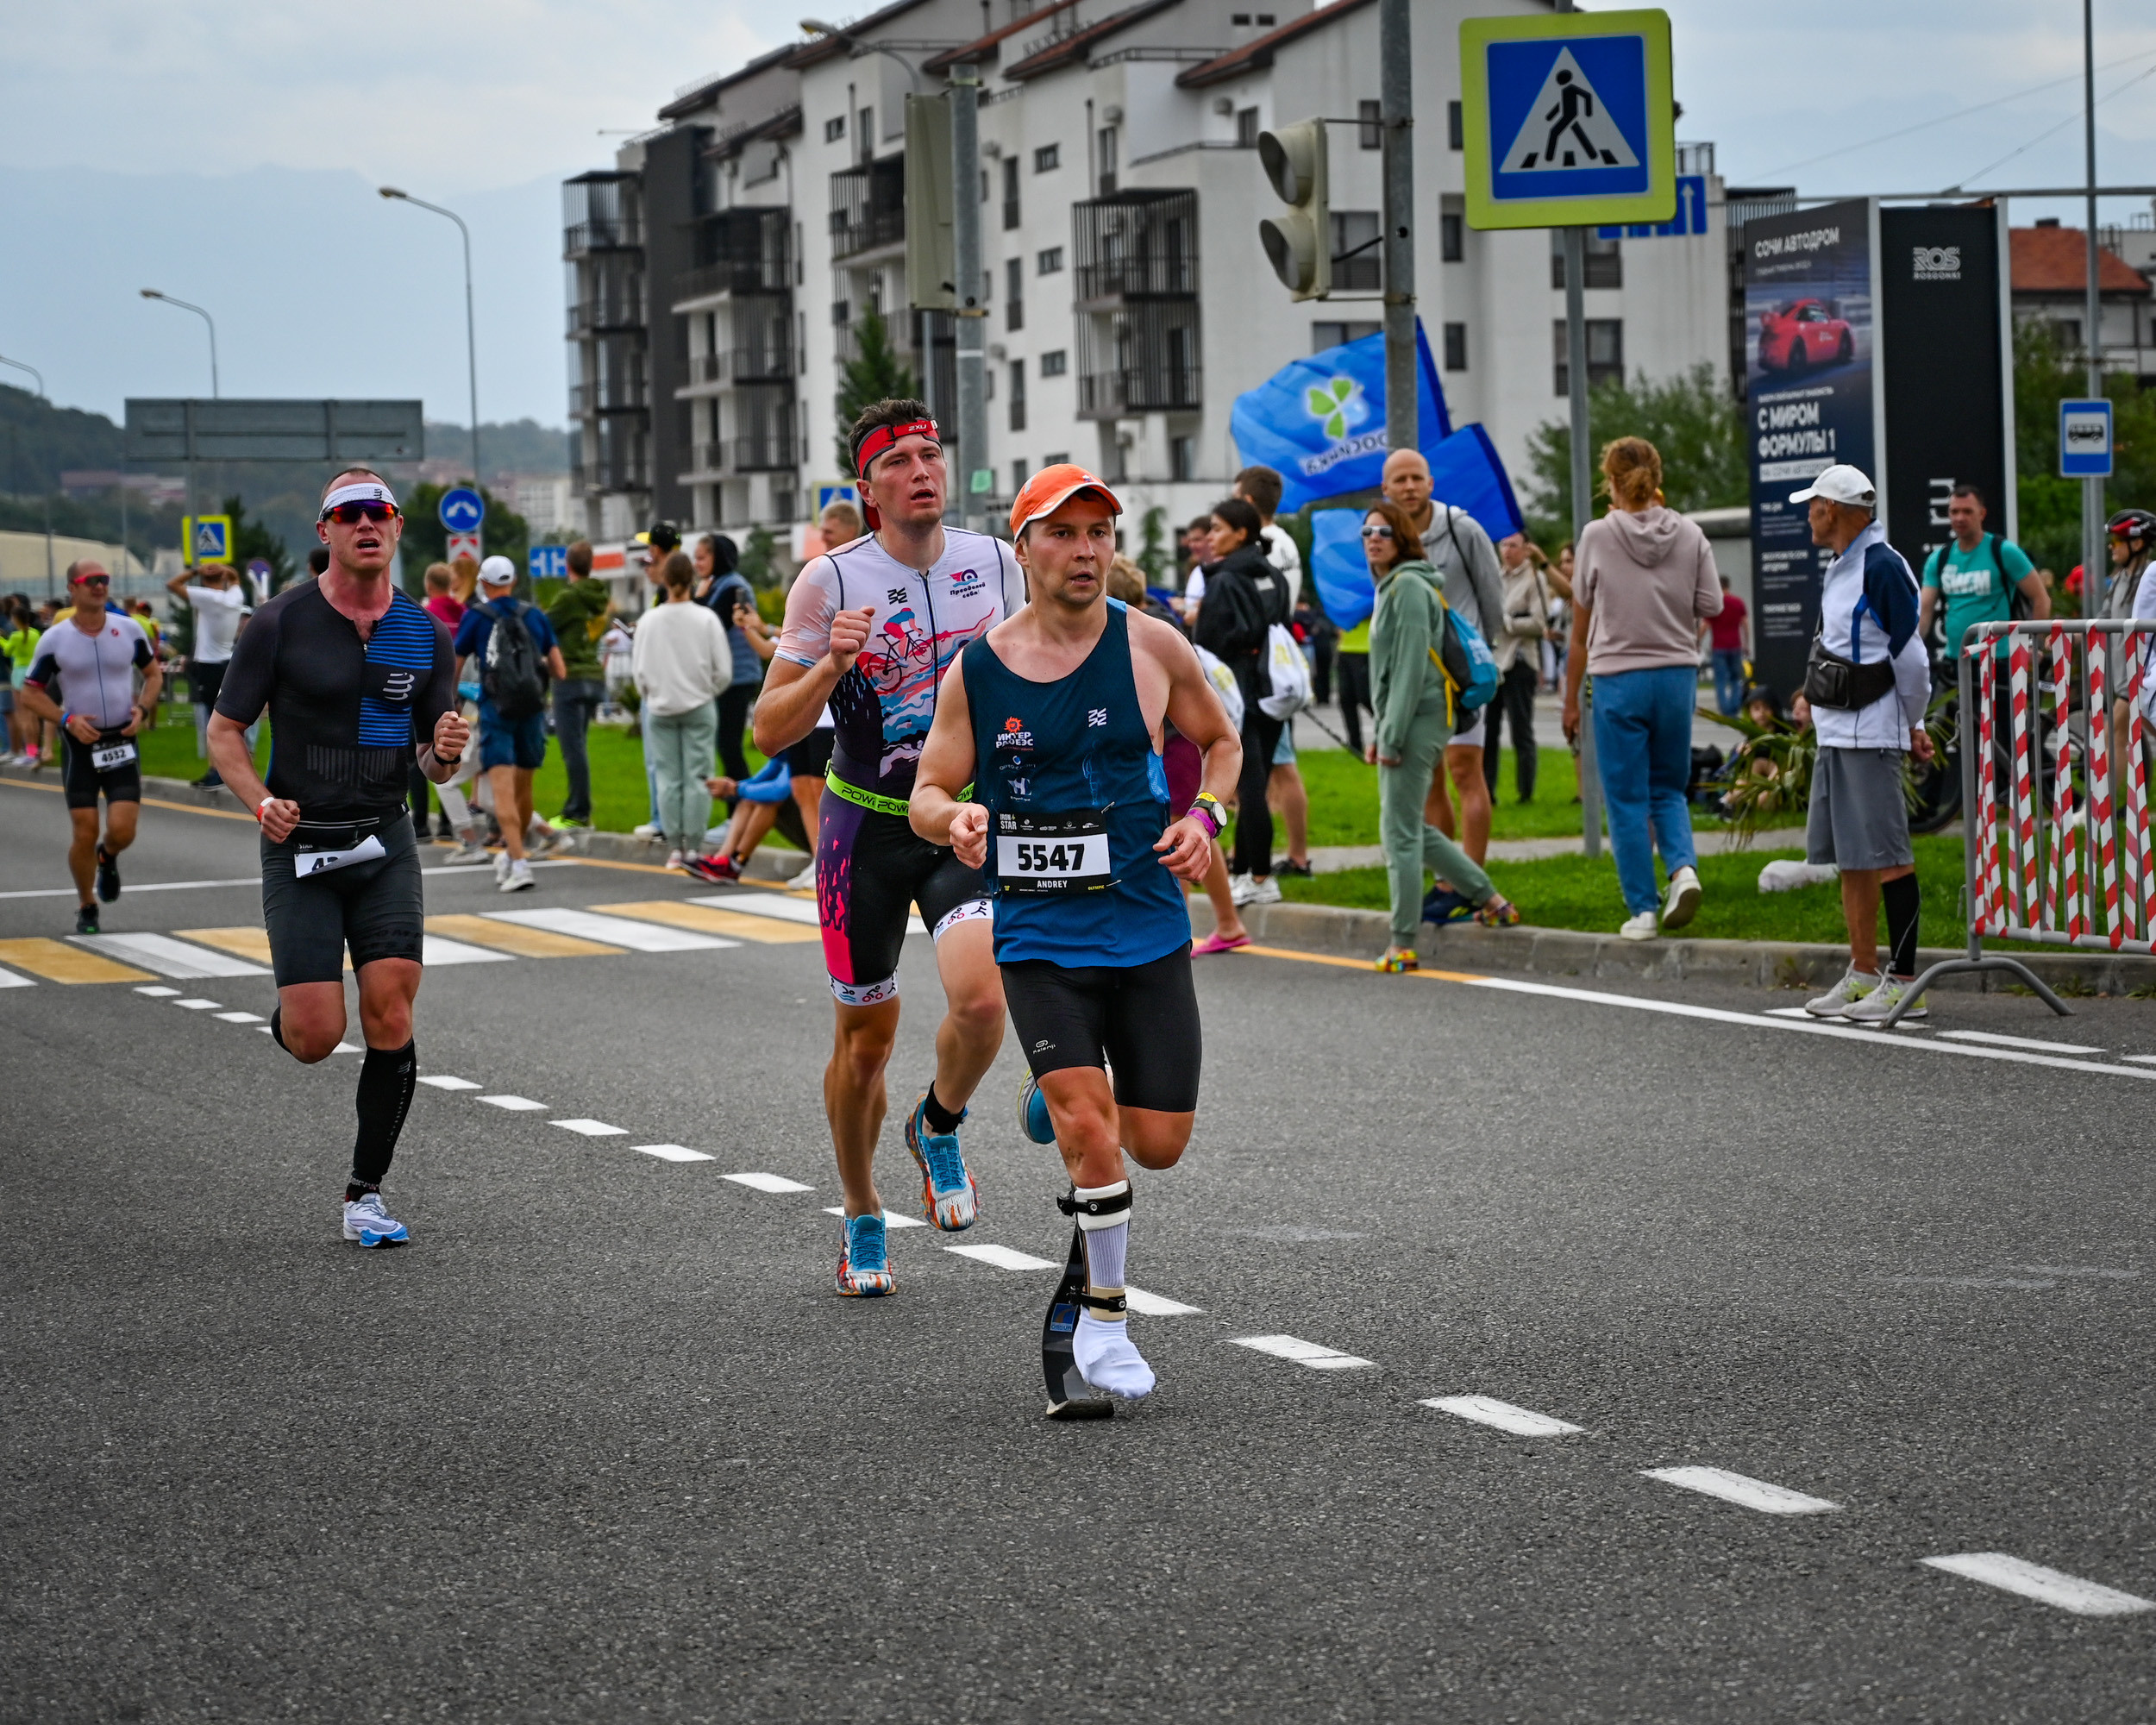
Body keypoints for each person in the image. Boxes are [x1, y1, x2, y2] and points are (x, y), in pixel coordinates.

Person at [909, 464, 1238, 1410]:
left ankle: (1065, 1106)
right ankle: (1104, 1316)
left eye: (1099, 532)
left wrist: (1205, 816)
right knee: (1094, 1135)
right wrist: (953, 823)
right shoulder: (978, 666)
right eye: (1063, 532)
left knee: (1157, 1143)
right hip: (1040, 934)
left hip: (1142, 925)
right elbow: (932, 788)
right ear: (1024, 550)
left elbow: (1221, 742)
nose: (1086, 549)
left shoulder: (1153, 646)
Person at [753, 398, 1026, 1297]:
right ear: (868, 486)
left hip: (958, 818)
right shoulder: (829, 579)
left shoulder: (993, 561)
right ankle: (863, 1211)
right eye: (900, 460)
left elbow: (1038, 667)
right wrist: (829, 668)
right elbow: (766, 729)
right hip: (864, 824)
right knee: (865, 1043)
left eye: (930, 455)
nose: (921, 471)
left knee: (982, 1002)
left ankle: (938, 1123)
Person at [206, 469, 467, 1249]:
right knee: (318, 1035)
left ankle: (365, 1193)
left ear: (394, 529)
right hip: (301, 844)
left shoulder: (424, 633)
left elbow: (432, 759)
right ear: (325, 532)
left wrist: (446, 754)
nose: (366, 524)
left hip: (384, 839)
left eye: (379, 513)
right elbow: (225, 733)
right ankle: (292, 1013)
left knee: (391, 1008)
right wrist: (260, 800)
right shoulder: (278, 624)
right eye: (348, 514)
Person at [1786, 465, 1934, 1023]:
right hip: (1837, 731)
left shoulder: (1882, 566)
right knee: (1853, 860)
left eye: (1815, 505)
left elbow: (1911, 658)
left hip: (1871, 733)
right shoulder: (1843, 564)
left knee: (1890, 856)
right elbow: (1839, 642)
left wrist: (1911, 722)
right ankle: (1864, 970)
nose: (1808, 515)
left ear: (1840, 510)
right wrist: (1811, 697)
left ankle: (1904, 982)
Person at [1560, 438, 1720, 941]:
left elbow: (1580, 623)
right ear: (1657, 478)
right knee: (1668, 788)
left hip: (1617, 678)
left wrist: (1569, 698)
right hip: (1676, 675)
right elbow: (1711, 604)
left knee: (1626, 798)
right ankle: (1683, 870)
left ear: (1611, 481)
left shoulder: (1596, 536)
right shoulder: (1691, 533)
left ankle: (1642, 909)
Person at [1361, 502, 1520, 971]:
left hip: (1417, 720)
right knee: (1413, 827)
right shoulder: (1395, 585)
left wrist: (1389, 736)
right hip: (1411, 719)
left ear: (1404, 537)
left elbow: (1409, 669)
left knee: (1399, 834)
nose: (1373, 538)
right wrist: (1381, 730)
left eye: (1384, 531)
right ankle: (1491, 902)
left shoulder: (1408, 587)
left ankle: (1402, 943)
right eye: (1367, 531)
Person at [16, 561, 163, 934]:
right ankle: (86, 904)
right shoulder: (55, 638)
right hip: (81, 744)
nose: (100, 586)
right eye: (91, 581)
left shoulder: (128, 629)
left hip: (122, 740)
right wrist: (66, 720)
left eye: (105, 580)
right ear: (73, 588)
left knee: (122, 829)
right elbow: (30, 693)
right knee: (84, 830)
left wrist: (143, 709)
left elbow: (153, 674)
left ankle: (108, 855)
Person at [1381, 448, 1504, 869]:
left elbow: (1493, 602)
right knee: (1429, 781)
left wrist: (1479, 662)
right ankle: (1448, 880)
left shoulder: (1462, 528)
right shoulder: (1383, 536)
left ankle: (1475, 879)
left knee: (1466, 771)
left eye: (1417, 478)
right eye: (1400, 480)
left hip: (1461, 676)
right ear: (1386, 489)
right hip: (1417, 677)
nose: (1410, 486)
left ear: (1431, 483)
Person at [1191, 497, 1290, 905]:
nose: (1211, 538)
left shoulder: (1225, 580)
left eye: (1216, 528)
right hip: (1273, 688)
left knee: (1248, 787)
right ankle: (1249, 873)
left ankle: (1261, 876)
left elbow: (1207, 643)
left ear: (1241, 533)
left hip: (1238, 692)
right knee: (1258, 782)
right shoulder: (1273, 575)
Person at [452, 555, 567, 894]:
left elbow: (455, 667)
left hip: (495, 712)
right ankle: (514, 853)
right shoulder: (534, 615)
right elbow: (559, 670)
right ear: (513, 581)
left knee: (501, 791)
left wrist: (453, 702)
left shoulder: (477, 617)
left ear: (484, 584)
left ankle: (518, 863)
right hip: (531, 712)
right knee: (523, 791)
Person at [634, 549, 734, 875]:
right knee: (698, 778)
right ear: (693, 580)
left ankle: (674, 847)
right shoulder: (706, 619)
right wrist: (706, 691)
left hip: (660, 707)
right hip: (699, 705)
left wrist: (652, 693)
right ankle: (693, 847)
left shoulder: (649, 621)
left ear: (664, 580)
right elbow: (723, 671)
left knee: (667, 779)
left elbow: (639, 672)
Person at [1235, 466, 1313, 879]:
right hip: (1276, 660)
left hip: (1265, 666)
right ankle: (1264, 851)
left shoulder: (1265, 544)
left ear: (1247, 503)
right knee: (1273, 767)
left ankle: (1294, 856)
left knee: (1278, 766)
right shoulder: (1284, 542)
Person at [545, 540, 611, 827]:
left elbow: (543, 626)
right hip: (593, 675)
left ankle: (578, 811)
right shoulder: (599, 595)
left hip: (569, 675)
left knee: (572, 748)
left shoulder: (569, 597)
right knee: (579, 745)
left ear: (567, 565)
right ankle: (579, 807)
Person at [694, 532, 763, 806]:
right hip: (728, 676)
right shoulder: (718, 584)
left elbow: (709, 625)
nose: (697, 564)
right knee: (726, 744)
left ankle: (740, 807)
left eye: (702, 558)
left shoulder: (732, 586)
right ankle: (738, 810)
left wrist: (698, 599)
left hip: (737, 675)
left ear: (718, 557)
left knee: (729, 744)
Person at [1485, 531, 1554, 804]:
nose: (1507, 551)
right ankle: (1487, 790)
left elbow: (1539, 623)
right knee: (1488, 731)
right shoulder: (1494, 577)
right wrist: (1510, 619)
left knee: (1521, 731)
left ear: (1526, 549)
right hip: (1494, 662)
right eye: (1503, 545)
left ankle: (1525, 792)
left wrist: (1508, 622)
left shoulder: (1535, 579)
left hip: (1521, 661)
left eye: (1513, 546)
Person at [165, 561, 247, 788]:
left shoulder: (207, 598)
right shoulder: (235, 597)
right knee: (226, 721)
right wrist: (228, 572)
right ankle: (230, 771)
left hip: (209, 666)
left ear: (203, 580)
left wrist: (195, 570)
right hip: (226, 663)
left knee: (213, 723)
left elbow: (172, 585)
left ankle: (216, 771)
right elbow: (236, 580)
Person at [1701, 574, 1752, 716]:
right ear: (1728, 586)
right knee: (1736, 679)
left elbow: (1705, 626)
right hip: (1735, 646)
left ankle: (1725, 711)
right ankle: (1735, 707)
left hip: (1719, 647)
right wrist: (1746, 644)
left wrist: (1697, 642)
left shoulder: (1715, 604)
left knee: (1721, 681)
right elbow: (1745, 624)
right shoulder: (1738, 602)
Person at [3, 597, 42, 764]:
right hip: (33, 673)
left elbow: (7, 652)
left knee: (23, 716)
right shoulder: (34, 633)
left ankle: (29, 753)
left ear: (15, 619)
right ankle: (35, 751)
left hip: (19, 673)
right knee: (33, 716)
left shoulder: (15, 636)